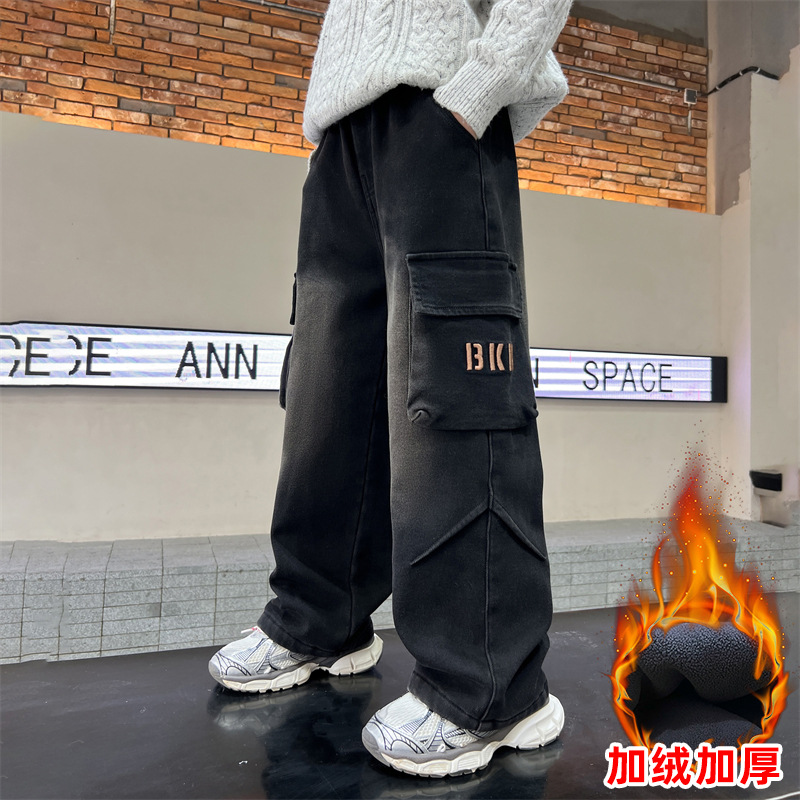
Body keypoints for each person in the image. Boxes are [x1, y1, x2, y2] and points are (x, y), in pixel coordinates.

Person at [209, 0, 573, 779]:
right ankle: (320, 619)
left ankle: (491, 688)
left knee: (455, 402)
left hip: (442, 111)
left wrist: (483, 86)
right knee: (327, 395)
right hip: (341, 134)